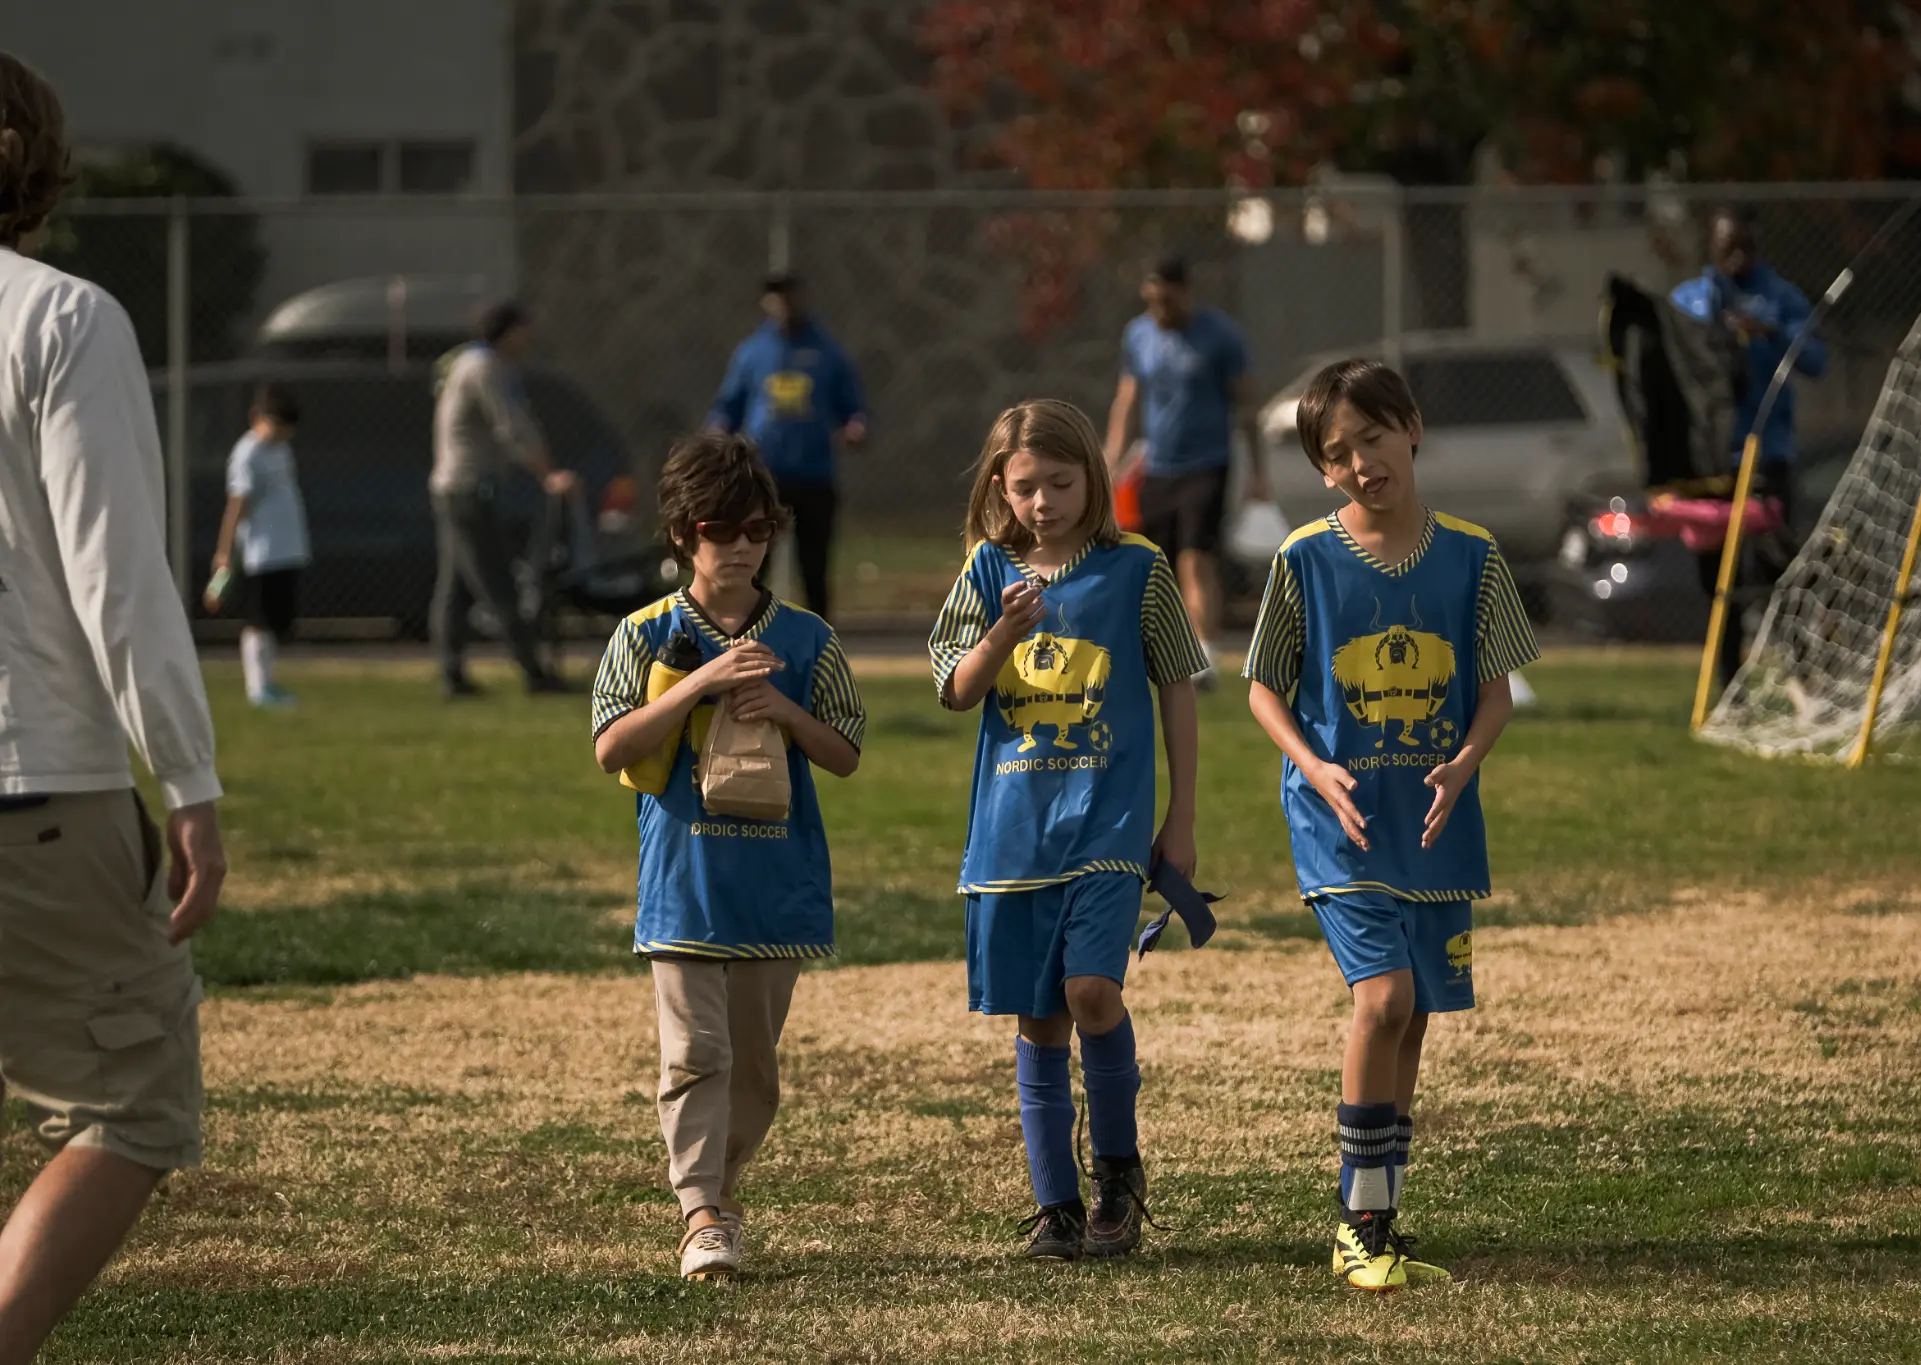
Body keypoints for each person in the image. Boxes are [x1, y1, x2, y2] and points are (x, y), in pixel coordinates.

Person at [0, 51, 227, 1365]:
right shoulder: (61, 320)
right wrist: (189, 785)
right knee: (135, 1100)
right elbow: (116, 576)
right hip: (41, 784)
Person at [1243, 359, 1539, 1292]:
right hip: (1345, 822)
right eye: (1339, 453)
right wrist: (1313, 763)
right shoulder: (1304, 559)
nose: (1362, 462)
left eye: (1374, 437)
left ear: (1411, 428)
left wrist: (1464, 759)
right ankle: (1356, 1223)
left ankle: (1383, 1218)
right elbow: (1262, 687)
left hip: (1436, 819)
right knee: (1383, 1001)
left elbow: (1495, 693)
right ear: (1323, 471)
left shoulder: (1474, 555)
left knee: (1413, 1020)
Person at [928, 400, 1205, 1260]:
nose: (1043, 501)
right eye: (1025, 487)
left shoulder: (1137, 570)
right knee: (1039, 1020)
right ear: (999, 490)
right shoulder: (987, 571)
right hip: (1012, 842)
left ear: (1093, 476)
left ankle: (1117, 1171)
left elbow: (1177, 686)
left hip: (1107, 827)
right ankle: (1057, 1206)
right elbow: (955, 688)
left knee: (1092, 992)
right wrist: (1004, 631)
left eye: (1060, 482)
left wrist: (1181, 817)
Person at [590, 432, 865, 1281]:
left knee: (754, 1069)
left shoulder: (808, 637)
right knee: (693, 1053)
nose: (742, 547)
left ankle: (719, 1188)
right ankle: (700, 1208)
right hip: (685, 885)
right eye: (722, 530)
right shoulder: (645, 634)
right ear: (683, 534)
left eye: (759, 530)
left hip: (777, 889)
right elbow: (609, 749)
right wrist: (700, 686)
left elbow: (846, 750)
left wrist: (781, 706)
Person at [1670, 207, 1828, 686]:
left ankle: (1803, 677)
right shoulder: (1691, 299)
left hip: (1767, 457)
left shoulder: (1779, 298)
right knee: (1719, 578)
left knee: (1777, 569)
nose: (1737, 255)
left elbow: (1816, 359)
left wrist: (1773, 332)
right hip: (1711, 462)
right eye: (1727, 245)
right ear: (1712, 247)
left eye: (1747, 245)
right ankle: (1726, 683)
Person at [1104, 257, 1270, 686]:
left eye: (1167, 299)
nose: (1159, 308)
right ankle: (1168, 651)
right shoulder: (1138, 335)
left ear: (1185, 291)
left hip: (1207, 463)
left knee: (1196, 559)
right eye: (1151, 300)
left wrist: (1258, 470)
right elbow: (1128, 401)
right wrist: (1110, 461)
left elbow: (1247, 405)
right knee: (1157, 564)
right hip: (1156, 466)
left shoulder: (1220, 336)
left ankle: (1206, 656)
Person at [429, 300, 577, 698]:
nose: (529, 338)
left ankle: (450, 675)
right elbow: (512, 429)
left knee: (456, 588)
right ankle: (534, 672)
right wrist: (550, 476)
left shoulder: (473, 363)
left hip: (454, 489)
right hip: (468, 491)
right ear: (508, 331)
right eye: (524, 329)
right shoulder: (484, 367)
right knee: (498, 583)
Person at [707, 273, 868, 623]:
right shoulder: (752, 352)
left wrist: (856, 426)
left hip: (813, 475)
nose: (783, 305)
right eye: (775, 298)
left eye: (789, 296)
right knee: (752, 560)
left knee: (814, 566)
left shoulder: (827, 352)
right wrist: (719, 433)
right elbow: (728, 406)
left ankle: (820, 639)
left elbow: (852, 405)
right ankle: (744, 628)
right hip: (764, 477)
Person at [205, 382, 310, 708]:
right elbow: (237, 504)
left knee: (277, 621)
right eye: (276, 427)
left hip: (287, 548)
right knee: (259, 620)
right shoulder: (247, 453)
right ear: (257, 418)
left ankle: (269, 681)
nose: (281, 436)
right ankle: (258, 687)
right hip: (261, 551)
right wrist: (224, 551)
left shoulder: (280, 450)